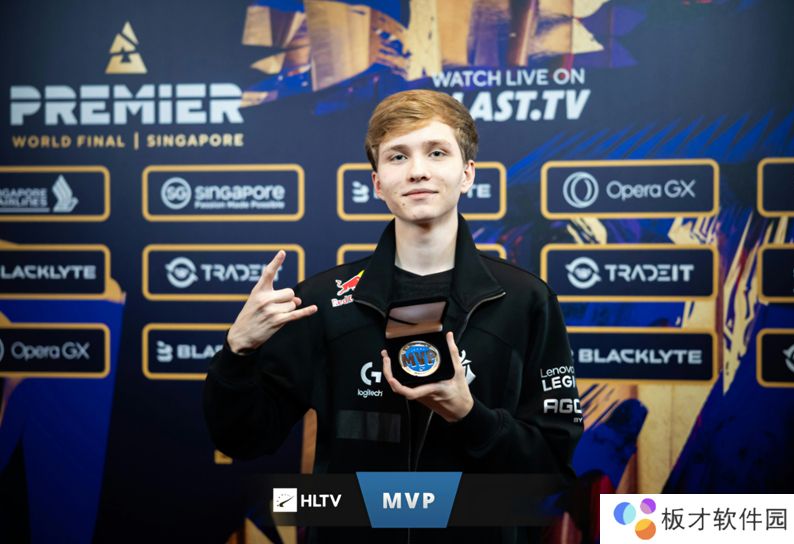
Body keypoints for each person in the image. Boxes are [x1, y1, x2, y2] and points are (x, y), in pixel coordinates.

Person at [204, 89, 583, 542]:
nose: (417, 170)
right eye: (398, 156)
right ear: (378, 183)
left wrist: (468, 414)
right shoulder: (323, 301)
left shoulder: (525, 301)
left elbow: (552, 469)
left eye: (436, 152)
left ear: (467, 174)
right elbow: (243, 439)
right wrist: (237, 352)